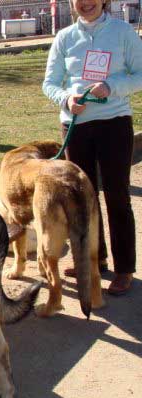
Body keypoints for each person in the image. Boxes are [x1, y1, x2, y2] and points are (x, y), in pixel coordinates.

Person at [42, 0, 142, 295]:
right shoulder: (65, 38)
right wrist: (66, 100)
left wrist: (112, 87)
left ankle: (124, 268)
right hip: (76, 127)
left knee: (117, 195)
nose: (85, 3)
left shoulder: (122, 32)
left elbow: (139, 74)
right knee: (84, 199)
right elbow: (49, 83)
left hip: (114, 123)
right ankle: (94, 261)